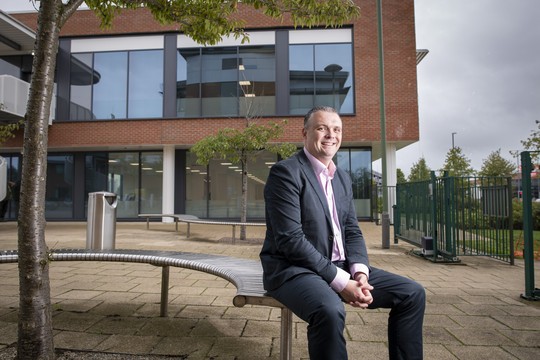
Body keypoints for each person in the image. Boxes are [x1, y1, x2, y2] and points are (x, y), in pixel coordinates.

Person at [260, 106, 425, 360]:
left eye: (336, 129)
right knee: (329, 309)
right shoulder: (286, 173)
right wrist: (341, 281)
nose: (330, 135)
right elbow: (290, 240)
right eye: (322, 128)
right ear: (304, 133)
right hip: (294, 270)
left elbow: (351, 230)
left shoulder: (342, 178)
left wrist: (359, 272)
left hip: (342, 267)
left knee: (412, 293)